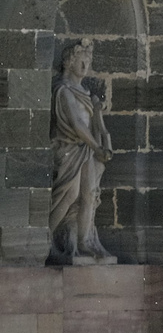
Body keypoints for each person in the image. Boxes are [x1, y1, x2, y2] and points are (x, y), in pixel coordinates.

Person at [49, 39, 114, 263]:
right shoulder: (64, 90)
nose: (86, 64)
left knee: (89, 195)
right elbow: (77, 124)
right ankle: (47, 237)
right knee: (69, 194)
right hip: (69, 149)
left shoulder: (84, 92)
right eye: (81, 60)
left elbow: (92, 123)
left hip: (86, 150)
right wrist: (97, 147)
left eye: (88, 60)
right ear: (69, 62)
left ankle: (85, 241)